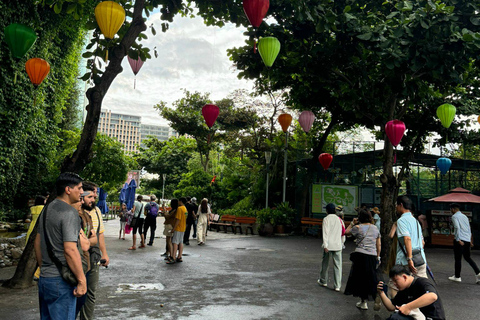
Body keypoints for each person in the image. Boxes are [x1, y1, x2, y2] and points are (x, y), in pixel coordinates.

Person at [34, 172, 86, 320]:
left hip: (45, 279)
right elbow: (70, 249)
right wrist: (82, 281)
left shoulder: (46, 210)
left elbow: (37, 242)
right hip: (61, 282)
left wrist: (44, 267)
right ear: (68, 190)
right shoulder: (69, 212)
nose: (82, 192)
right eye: (80, 188)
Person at [79, 181, 110, 320]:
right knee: (76, 291)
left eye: (95, 194)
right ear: (82, 195)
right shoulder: (75, 212)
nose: (95, 198)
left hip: (93, 256)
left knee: (91, 293)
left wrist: (104, 253)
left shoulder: (97, 211)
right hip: (78, 256)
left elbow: (100, 233)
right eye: (91, 195)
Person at [377, 265, 446, 320]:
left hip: (432, 318)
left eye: (396, 280)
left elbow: (432, 296)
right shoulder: (403, 290)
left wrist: (408, 307)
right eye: (393, 281)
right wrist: (381, 293)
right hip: (418, 317)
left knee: (397, 318)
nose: (394, 284)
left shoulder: (422, 282)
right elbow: (391, 307)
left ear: (404, 277)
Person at [344, 209, 381, 310]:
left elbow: (346, 232)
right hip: (372, 255)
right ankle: (376, 294)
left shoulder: (357, 228)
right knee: (371, 277)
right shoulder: (375, 228)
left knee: (360, 279)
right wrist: (378, 256)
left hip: (360, 255)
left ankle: (363, 302)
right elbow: (378, 244)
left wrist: (352, 223)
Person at [396, 196, 427, 278]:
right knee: (422, 286)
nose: (396, 207)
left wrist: (409, 259)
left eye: (396, 205)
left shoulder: (401, 221)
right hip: (420, 259)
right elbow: (422, 242)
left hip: (406, 262)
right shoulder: (416, 221)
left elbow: (407, 239)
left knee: (395, 286)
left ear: (401, 205)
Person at [448, 203, 480, 283]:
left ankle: (457, 276)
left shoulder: (454, 216)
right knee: (468, 258)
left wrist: (458, 239)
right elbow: (469, 228)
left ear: (453, 209)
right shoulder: (464, 216)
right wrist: (470, 240)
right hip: (467, 239)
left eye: (451, 209)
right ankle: (478, 272)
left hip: (460, 240)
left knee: (458, 259)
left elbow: (457, 227)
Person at [318, 203, 344, 291]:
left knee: (325, 264)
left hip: (328, 245)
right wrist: (342, 243)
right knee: (338, 266)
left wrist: (325, 245)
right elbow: (342, 233)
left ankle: (323, 280)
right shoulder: (339, 220)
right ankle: (337, 285)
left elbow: (325, 233)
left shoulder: (326, 219)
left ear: (327, 210)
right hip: (337, 245)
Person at [167, 197, 187, 264]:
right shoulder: (185, 209)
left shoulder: (179, 208)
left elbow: (178, 219)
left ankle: (173, 257)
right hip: (183, 227)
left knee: (175, 242)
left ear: (180, 201)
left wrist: (174, 228)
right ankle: (179, 256)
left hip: (178, 228)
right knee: (181, 242)